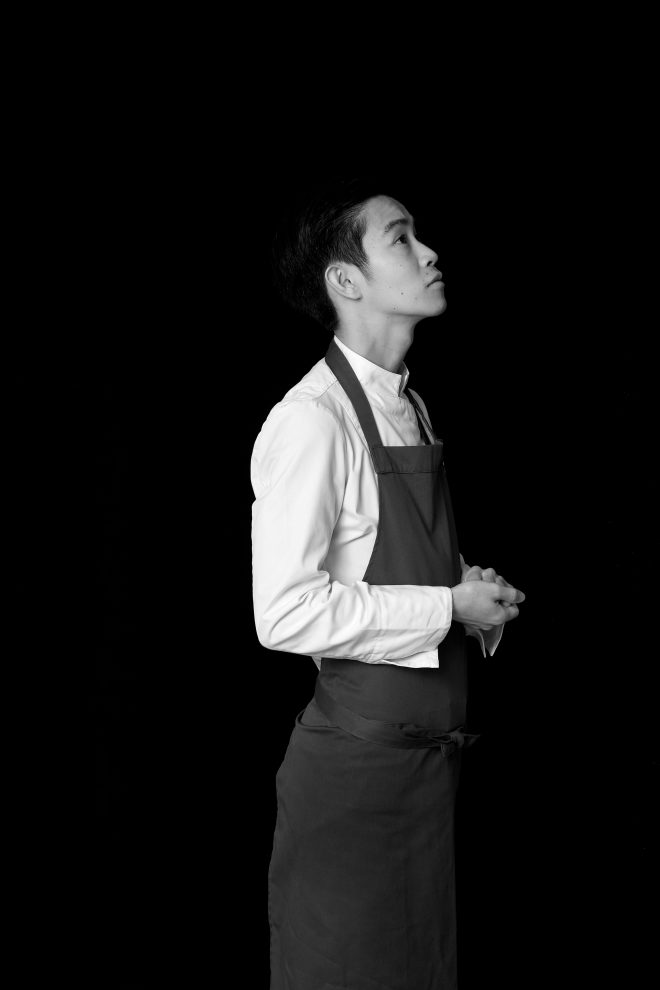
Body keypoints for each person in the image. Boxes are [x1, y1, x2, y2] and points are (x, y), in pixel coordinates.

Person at [251, 177, 525, 990]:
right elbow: (284, 613)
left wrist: (470, 599)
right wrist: (445, 605)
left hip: (428, 776)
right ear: (346, 280)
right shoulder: (312, 420)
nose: (429, 252)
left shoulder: (414, 408)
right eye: (401, 238)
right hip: (354, 784)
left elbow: (392, 564)